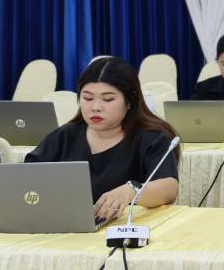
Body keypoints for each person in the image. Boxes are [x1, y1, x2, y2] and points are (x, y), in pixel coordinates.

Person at [24, 57, 179, 222]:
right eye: (88, 98)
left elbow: (169, 188)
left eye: (108, 99)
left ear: (129, 102)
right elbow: (25, 179)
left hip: (126, 228)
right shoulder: (64, 136)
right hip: (65, 226)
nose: (95, 107)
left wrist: (132, 191)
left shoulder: (152, 138)